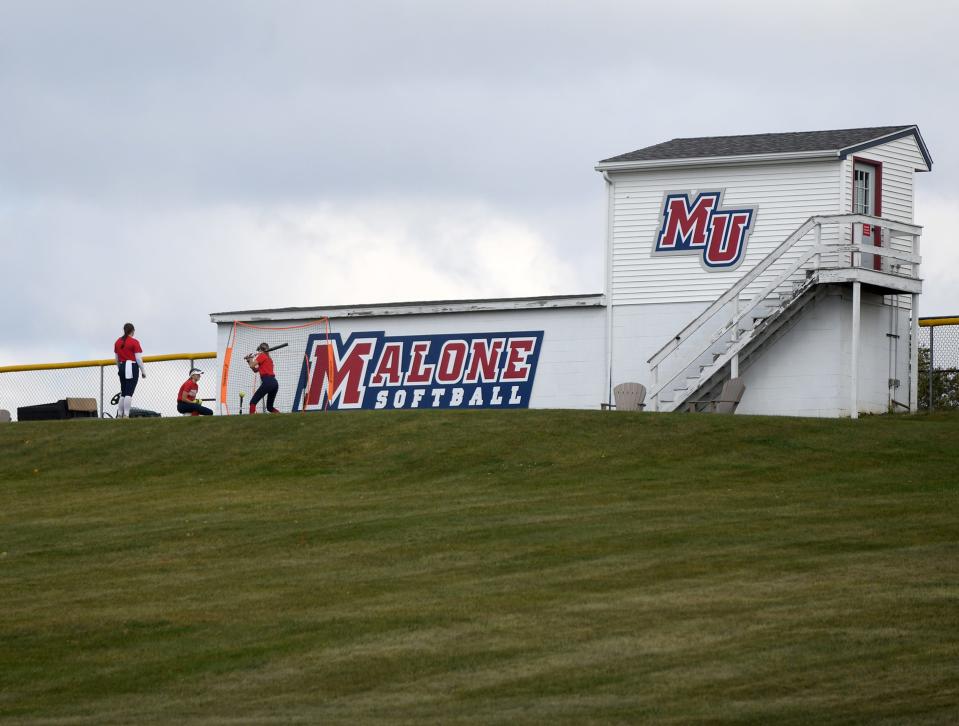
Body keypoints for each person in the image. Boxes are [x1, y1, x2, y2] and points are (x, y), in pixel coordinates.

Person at [113, 322, 146, 418]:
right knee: (129, 392)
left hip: (122, 366)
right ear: (132, 331)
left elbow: (116, 359)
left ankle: (119, 414)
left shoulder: (117, 342)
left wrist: (120, 368)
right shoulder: (134, 342)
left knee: (123, 392)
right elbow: (139, 359)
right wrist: (143, 371)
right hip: (131, 366)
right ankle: (126, 414)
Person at [246, 343, 280, 414]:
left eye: (259, 350)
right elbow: (255, 370)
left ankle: (251, 419)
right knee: (270, 407)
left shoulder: (262, 355)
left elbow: (252, 364)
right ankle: (281, 416)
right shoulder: (269, 359)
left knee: (253, 402)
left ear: (261, 350)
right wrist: (249, 360)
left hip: (268, 382)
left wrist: (251, 358)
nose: (258, 352)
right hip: (274, 383)